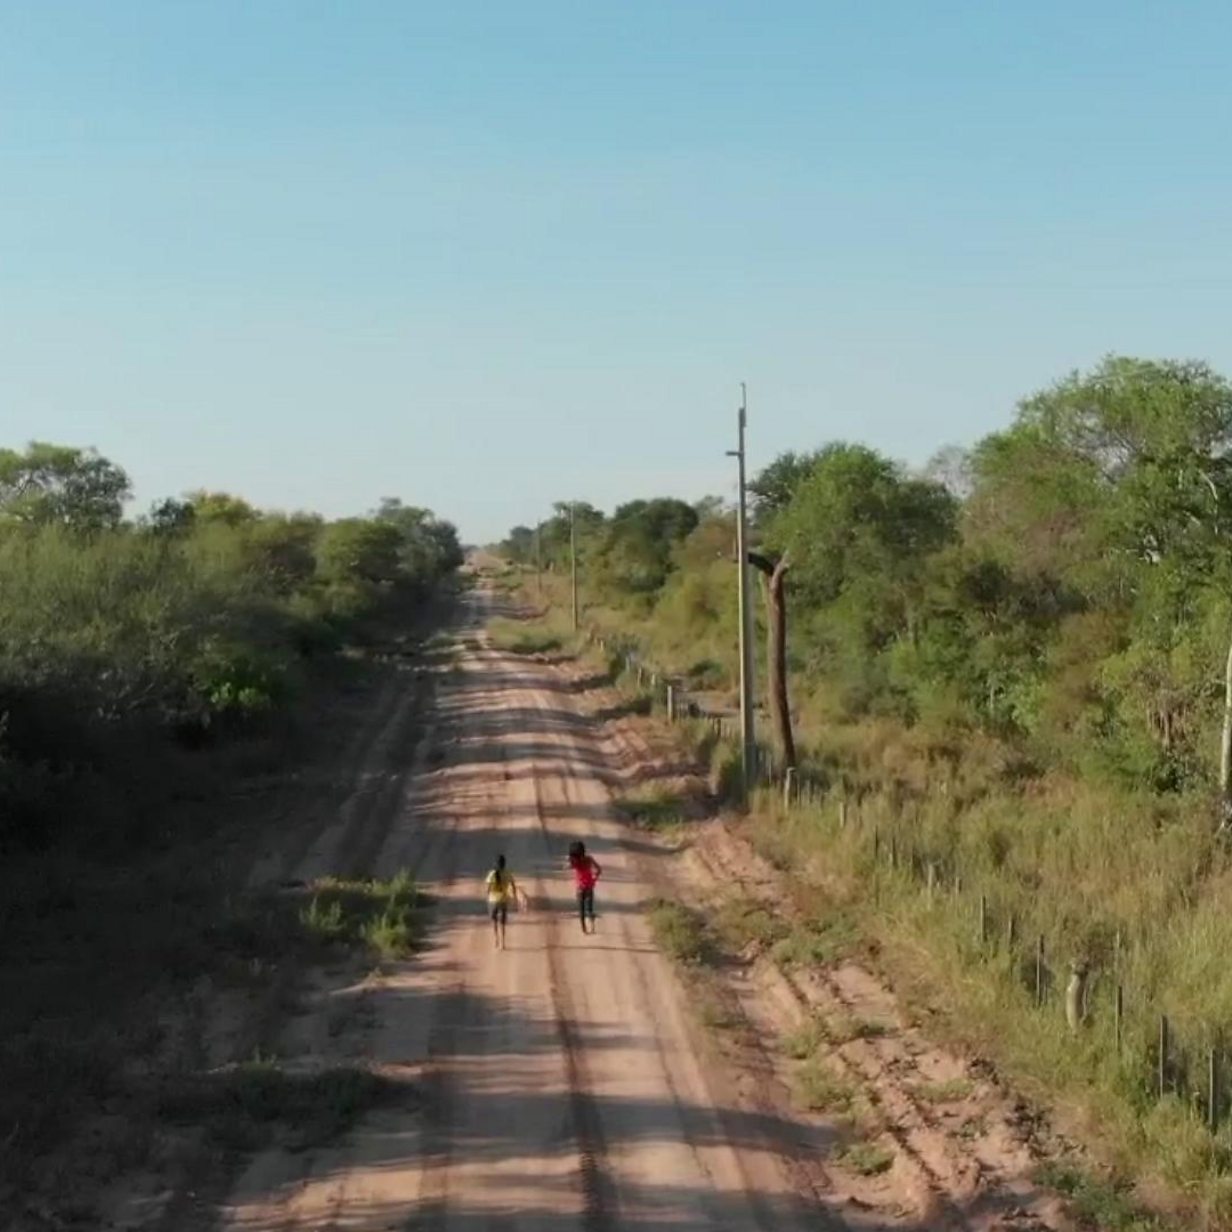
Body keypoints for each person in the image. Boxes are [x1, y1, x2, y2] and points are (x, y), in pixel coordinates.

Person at [485, 854, 526, 950]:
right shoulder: (507, 873)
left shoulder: (492, 874)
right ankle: (503, 943)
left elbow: (488, 888)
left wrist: (487, 896)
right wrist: (515, 897)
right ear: (504, 864)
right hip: (503, 900)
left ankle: (496, 940)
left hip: (493, 900)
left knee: (494, 921)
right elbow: (513, 886)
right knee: (503, 922)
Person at [568, 840, 602, 934]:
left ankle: (584, 930)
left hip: (580, 888)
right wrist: (594, 878)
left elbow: (568, 866)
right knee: (590, 909)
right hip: (589, 887)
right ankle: (592, 926)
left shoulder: (575, 863)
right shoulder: (589, 859)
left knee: (581, 910)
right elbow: (599, 869)